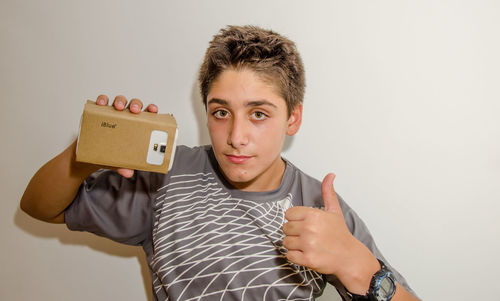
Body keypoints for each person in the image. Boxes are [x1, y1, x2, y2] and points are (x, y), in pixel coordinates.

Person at [21, 25, 420, 300]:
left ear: (293, 118)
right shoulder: (166, 177)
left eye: (259, 114)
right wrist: (86, 153)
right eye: (221, 112)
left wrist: (356, 265)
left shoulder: (321, 206)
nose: (235, 137)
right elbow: (40, 207)